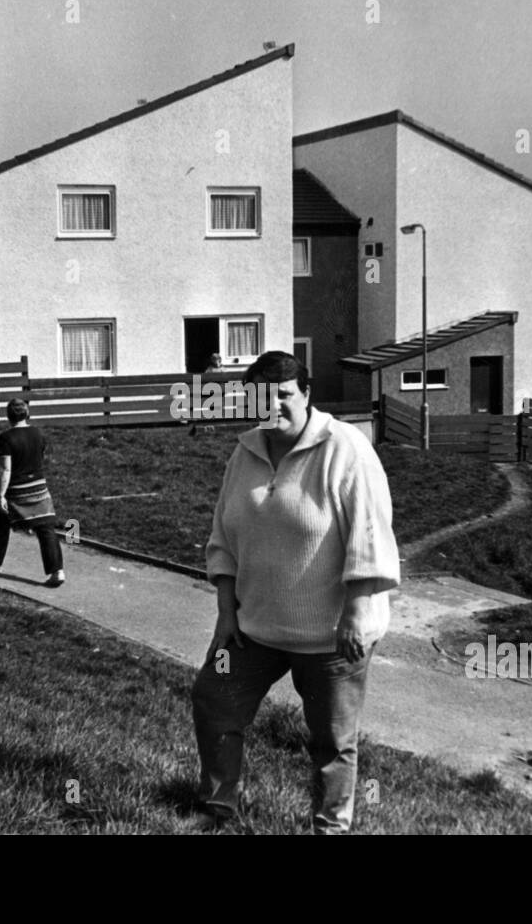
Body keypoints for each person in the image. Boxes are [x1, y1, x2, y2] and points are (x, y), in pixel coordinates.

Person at [192, 351, 399, 834]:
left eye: (284, 395)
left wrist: (355, 613)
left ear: (306, 394)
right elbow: (222, 540)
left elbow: (369, 535)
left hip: (332, 634)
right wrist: (226, 613)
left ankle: (330, 825)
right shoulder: (243, 454)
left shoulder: (345, 448)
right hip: (253, 628)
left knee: (332, 739)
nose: (273, 406)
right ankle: (219, 805)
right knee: (213, 697)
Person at [0, 398, 65, 587]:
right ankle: (57, 571)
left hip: (17, 491)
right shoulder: (39, 434)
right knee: (46, 528)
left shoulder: (6, 438)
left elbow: (6, 470)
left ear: (8, 416)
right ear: (27, 414)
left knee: (1, 522)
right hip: (39, 488)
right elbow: (41, 458)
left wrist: (1, 495)